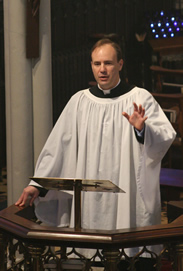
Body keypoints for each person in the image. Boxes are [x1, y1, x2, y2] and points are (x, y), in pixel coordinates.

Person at [15, 38, 176, 270]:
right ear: (91, 65)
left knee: (129, 258)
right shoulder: (79, 102)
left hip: (127, 196)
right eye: (97, 63)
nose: (102, 69)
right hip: (89, 201)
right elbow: (58, 146)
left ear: (120, 64)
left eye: (108, 63)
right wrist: (37, 185)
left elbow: (165, 137)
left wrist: (142, 130)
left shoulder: (139, 99)